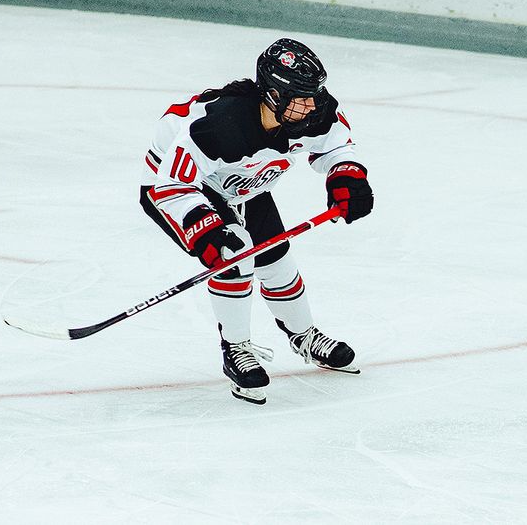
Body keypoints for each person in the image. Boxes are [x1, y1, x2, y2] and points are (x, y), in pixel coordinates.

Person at [139, 38, 374, 404]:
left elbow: (336, 146)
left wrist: (345, 175)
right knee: (234, 255)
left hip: (243, 183)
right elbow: (172, 185)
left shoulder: (314, 111)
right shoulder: (221, 126)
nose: (312, 104)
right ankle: (235, 349)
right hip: (181, 187)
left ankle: (304, 335)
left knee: (277, 259)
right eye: (300, 96)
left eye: (314, 93)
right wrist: (204, 228)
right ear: (274, 95)